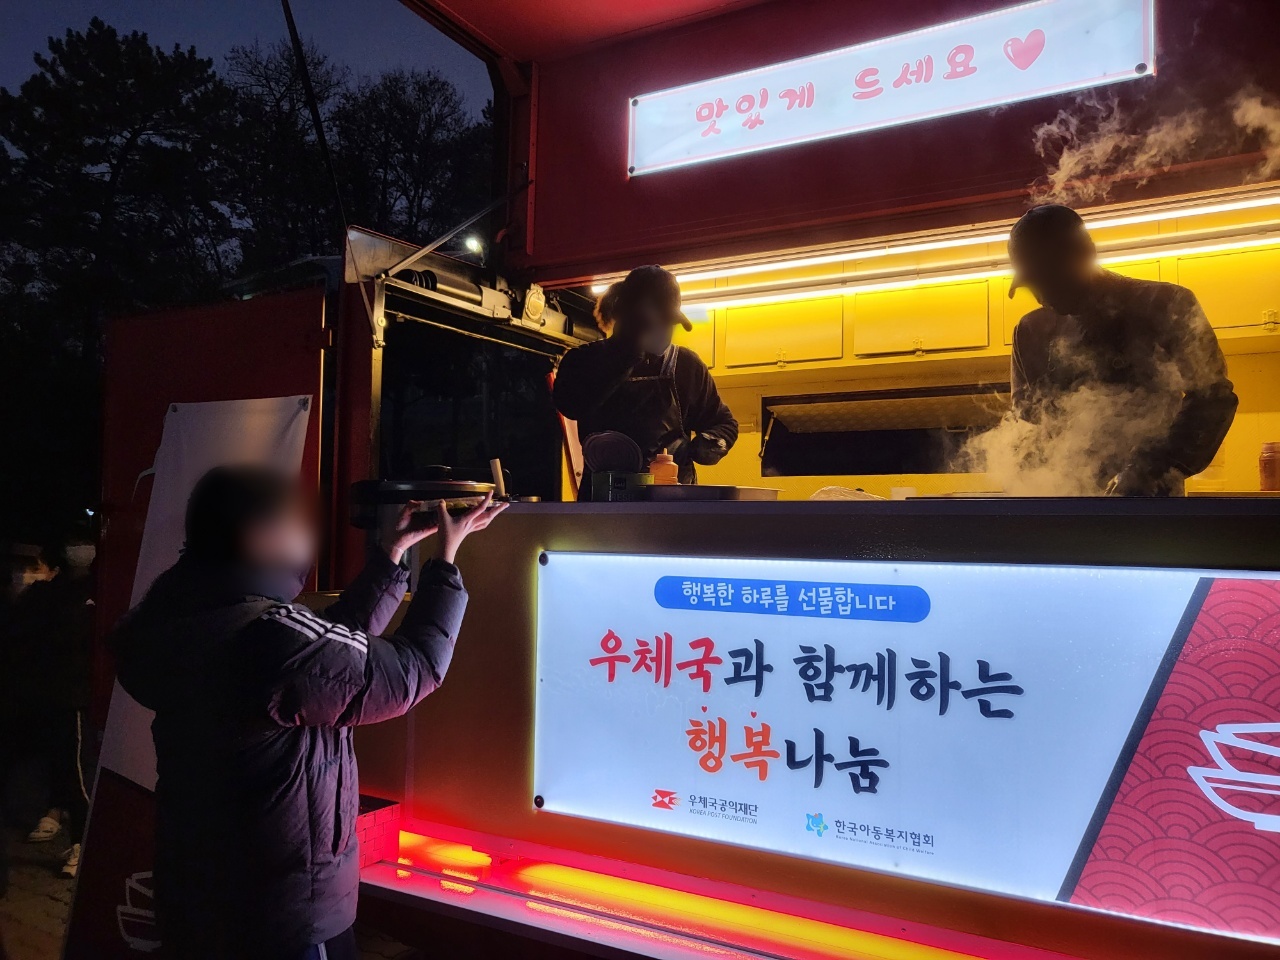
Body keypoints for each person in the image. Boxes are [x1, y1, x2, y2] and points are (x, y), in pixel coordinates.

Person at [112, 465, 505, 959]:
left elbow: (324, 655)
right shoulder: (269, 638)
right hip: (282, 915)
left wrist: (392, 554)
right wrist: (445, 562)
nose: (307, 537)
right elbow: (413, 670)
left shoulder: (188, 614)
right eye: (296, 523)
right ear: (259, 536)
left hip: (201, 896)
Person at [1007, 204, 1238, 496]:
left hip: (1149, 501)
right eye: (1032, 283)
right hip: (1062, 496)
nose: (1042, 295)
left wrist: (1152, 467)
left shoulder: (1165, 304)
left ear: (1085, 254)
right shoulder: (1030, 331)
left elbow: (1212, 396)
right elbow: (1026, 418)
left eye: (1050, 277)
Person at [553, 265, 738, 496]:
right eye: (651, 322)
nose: (663, 330)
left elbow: (724, 423)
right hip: (603, 503)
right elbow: (569, 404)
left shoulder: (686, 366)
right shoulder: (584, 360)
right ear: (623, 315)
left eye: (669, 322)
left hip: (671, 504)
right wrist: (626, 355)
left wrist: (713, 441)